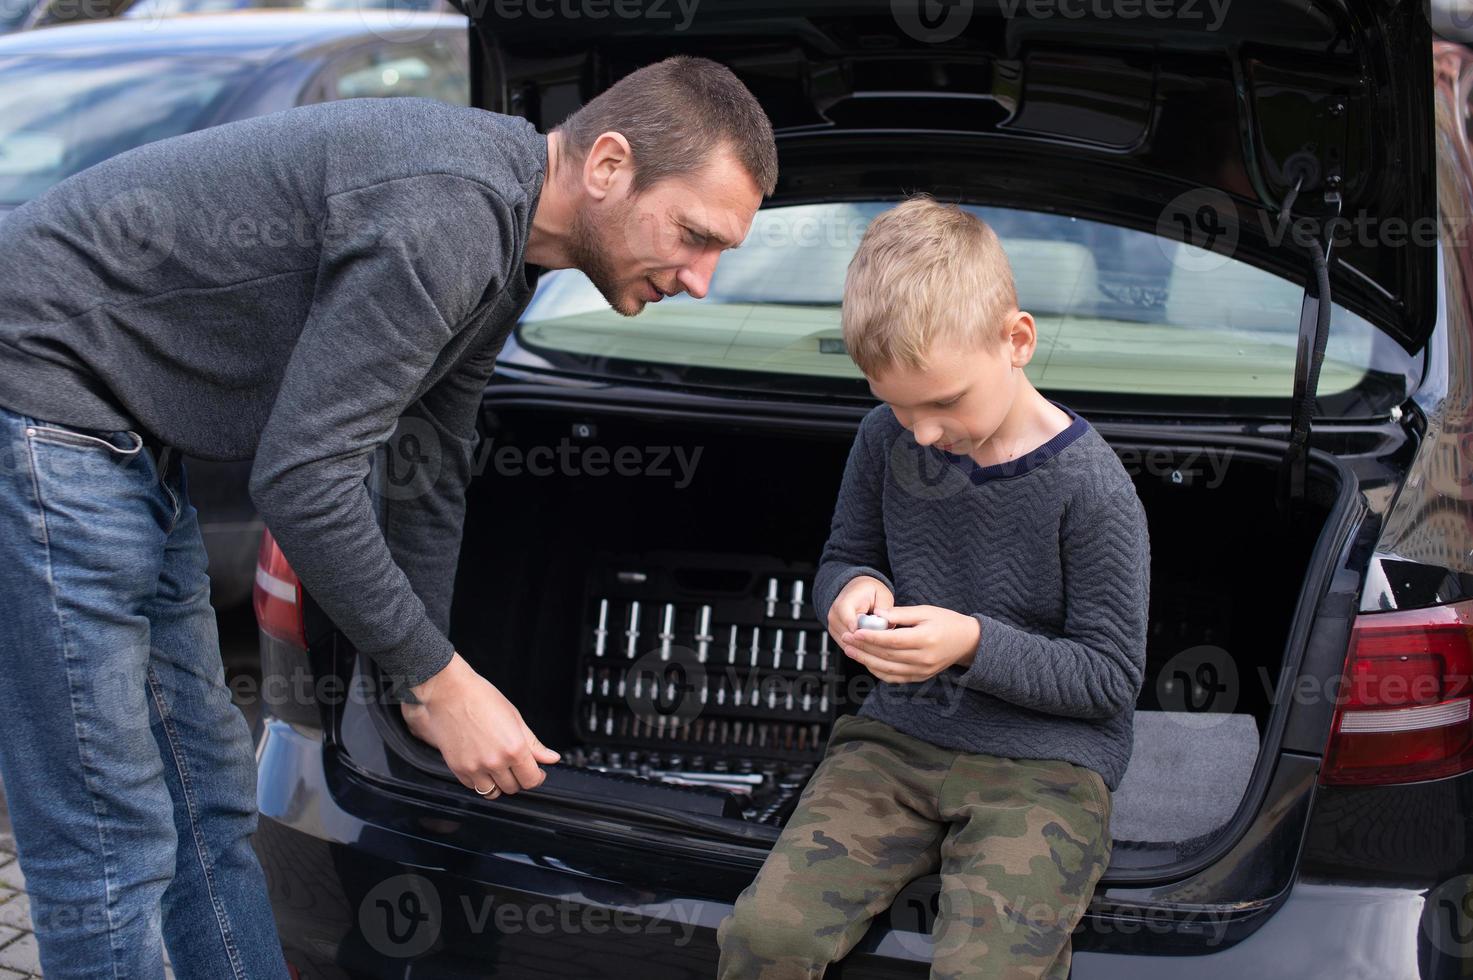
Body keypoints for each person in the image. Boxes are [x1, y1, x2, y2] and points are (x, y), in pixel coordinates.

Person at [0, 56, 776, 978]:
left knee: (207, 794)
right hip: (45, 404)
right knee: (106, 828)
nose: (701, 279)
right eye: (694, 235)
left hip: (128, 437)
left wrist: (420, 689)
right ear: (608, 165)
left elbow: (429, 470)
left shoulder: (503, 240)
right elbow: (303, 479)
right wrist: (436, 679)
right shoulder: (449, 212)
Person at [716, 195, 1150, 979]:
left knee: (983, 969)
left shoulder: (1092, 489)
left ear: (1016, 341)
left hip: (1047, 768)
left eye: (944, 402)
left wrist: (971, 644)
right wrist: (849, 596)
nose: (920, 431)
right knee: (765, 938)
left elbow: (1108, 679)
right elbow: (846, 554)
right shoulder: (886, 440)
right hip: (895, 742)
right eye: (895, 404)